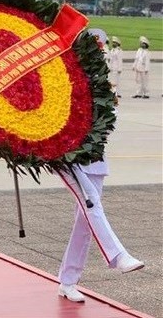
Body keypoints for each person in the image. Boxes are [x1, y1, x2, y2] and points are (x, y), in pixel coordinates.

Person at [57, 30, 144, 303]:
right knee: (91, 203)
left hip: (95, 160)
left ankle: (68, 280)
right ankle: (118, 255)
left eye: (101, 51)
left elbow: (109, 123)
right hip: (68, 157)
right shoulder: (65, 81)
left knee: (85, 222)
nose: (100, 56)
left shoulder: (105, 87)